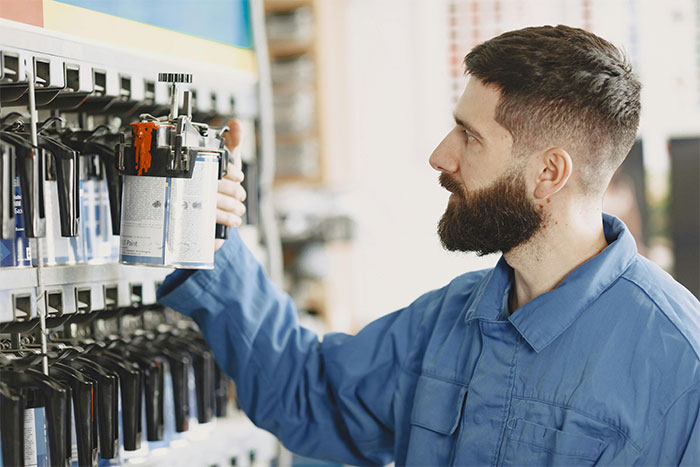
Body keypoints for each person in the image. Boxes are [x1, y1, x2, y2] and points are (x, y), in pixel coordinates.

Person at [158, 25, 700, 465]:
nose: (441, 156)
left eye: (471, 135)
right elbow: (310, 396)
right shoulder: (451, 319)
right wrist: (212, 239)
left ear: (548, 172)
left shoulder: (682, 364)